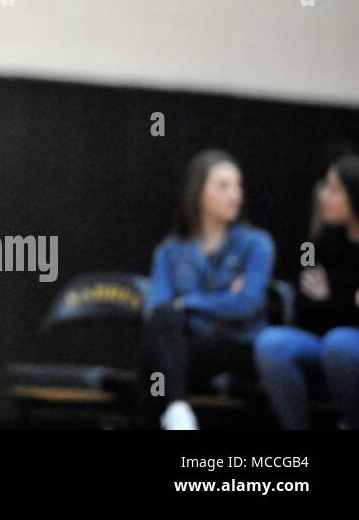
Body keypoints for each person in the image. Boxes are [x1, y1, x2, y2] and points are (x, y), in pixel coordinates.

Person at [140, 149, 274, 429]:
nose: (235, 195)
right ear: (198, 191)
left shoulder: (257, 244)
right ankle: (179, 411)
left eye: (238, 186)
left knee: (156, 359)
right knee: (161, 338)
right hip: (191, 345)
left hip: (239, 345)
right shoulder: (169, 251)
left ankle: (177, 412)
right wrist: (223, 299)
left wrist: (189, 303)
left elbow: (247, 305)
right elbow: (160, 308)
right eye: (223, 186)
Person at [254, 155, 359, 428]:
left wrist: (329, 299)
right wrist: (343, 301)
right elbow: (303, 306)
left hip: (346, 347)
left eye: (333, 189)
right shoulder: (323, 241)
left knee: (340, 343)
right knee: (271, 343)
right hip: (324, 342)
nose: (322, 195)